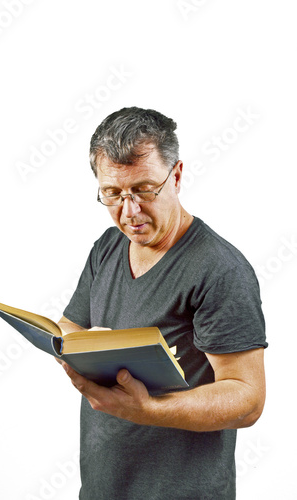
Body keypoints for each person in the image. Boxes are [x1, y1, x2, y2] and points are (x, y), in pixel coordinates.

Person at [57, 107, 268, 499]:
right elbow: (71, 327)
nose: (129, 211)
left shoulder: (220, 269)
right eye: (113, 194)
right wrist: (69, 351)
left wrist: (149, 409)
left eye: (144, 189)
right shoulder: (107, 247)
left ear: (177, 176)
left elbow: (247, 399)